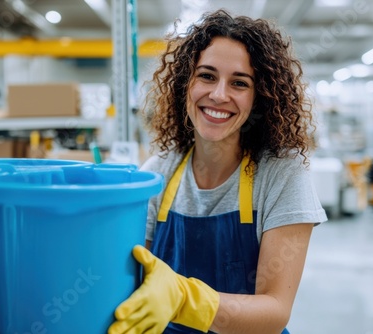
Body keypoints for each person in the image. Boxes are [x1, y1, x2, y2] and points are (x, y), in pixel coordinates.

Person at [108, 9, 327, 334]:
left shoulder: (282, 175)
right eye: (207, 76)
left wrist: (186, 301)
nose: (219, 94)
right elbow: (130, 279)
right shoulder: (158, 173)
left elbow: (275, 310)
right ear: (186, 83)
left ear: (259, 98)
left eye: (239, 83)